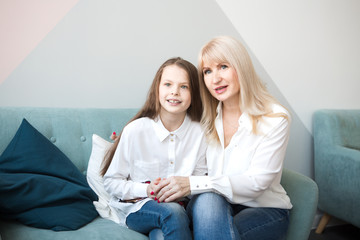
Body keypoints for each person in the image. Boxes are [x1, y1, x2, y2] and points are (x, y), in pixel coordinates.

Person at [153, 36, 292, 240]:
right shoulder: (205, 117)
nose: (214, 79)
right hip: (211, 205)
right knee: (165, 229)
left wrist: (195, 184)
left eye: (223, 67)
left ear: (241, 68)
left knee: (192, 214)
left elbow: (257, 183)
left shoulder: (275, 118)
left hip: (264, 210)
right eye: (207, 71)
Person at [101, 57, 207, 240]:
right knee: (172, 212)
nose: (175, 92)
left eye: (184, 87)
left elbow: (202, 179)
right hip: (139, 208)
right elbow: (111, 182)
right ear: (157, 88)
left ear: (194, 94)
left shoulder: (200, 133)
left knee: (160, 234)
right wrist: (146, 190)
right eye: (168, 84)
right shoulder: (136, 130)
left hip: (183, 211)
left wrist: (187, 188)